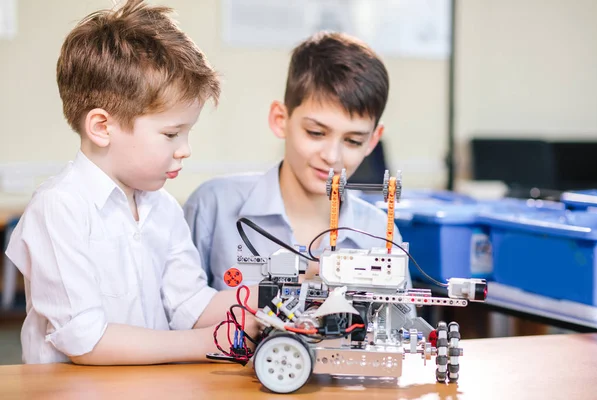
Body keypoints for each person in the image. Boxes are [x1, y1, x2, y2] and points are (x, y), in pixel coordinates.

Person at [6, 0, 255, 365]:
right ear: (102, 127)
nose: (185, 150)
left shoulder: (162, 207)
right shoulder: (59, 207)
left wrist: (270, 302)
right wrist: (215, 342)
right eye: (171, 134)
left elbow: (191, 304)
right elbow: (86, 341)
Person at [183, 31, 414, 313]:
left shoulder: (379, 233)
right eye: (316, 133)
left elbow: (398, 332)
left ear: (372, 141)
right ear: (281, 120)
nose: (332, 156)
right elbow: (178, 315)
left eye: (353, 141)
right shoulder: (213, 206)